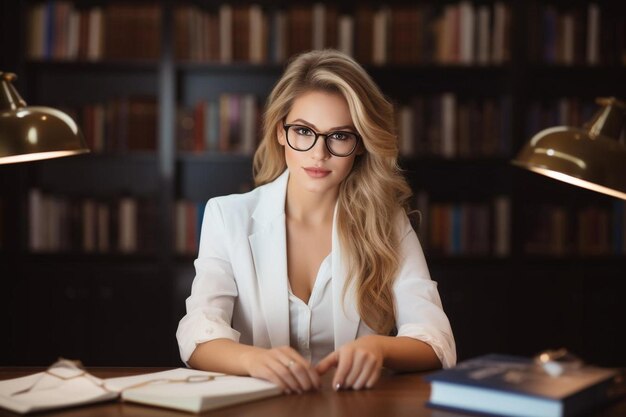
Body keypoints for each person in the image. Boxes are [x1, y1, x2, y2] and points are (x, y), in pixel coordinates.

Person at [176, 49, 456, 394]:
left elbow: (436, 340)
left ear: (360, 145)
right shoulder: (227, 216)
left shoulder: (388, 223)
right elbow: (199, 332)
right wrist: (252, 360)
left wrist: (378, 348)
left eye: (339, 135)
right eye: (304, 131)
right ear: (281, 132)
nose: (318, 153)